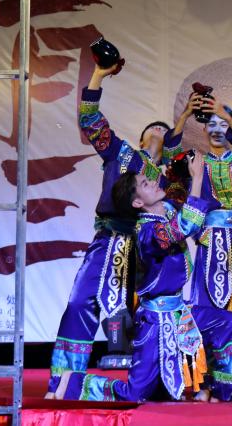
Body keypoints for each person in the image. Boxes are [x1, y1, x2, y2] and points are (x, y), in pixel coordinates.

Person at [45, 61, 189, 397]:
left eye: (164, 130)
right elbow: (91, 120)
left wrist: (182, 127)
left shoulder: (166, 182)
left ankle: (166, 380)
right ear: (140, 139)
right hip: (110, 241)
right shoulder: (122, 154)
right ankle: (62, 381)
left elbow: (183, 211)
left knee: (153, 312)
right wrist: (99, 74)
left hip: (147, 248)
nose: (158, 131)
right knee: (80, 304)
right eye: (153, 129)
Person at [51, 159, 214, 402]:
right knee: (134, 394)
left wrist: (183, 172)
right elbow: (183, 226)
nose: (154, 183)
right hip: (154, 320)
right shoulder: (147, 232)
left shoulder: (166, 210)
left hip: (175, 313)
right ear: (137, 203)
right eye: (146, 184)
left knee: (165, 391)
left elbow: (179, 201)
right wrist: (197, 178)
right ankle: (73, 383)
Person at [181, 89, 232, 402]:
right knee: (205, 310)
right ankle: (205, 382)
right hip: (210, 243)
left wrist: (227, 115)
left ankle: (230, 384)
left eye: (224, 124)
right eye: (211, 124)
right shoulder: (195, 162)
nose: (217, 129)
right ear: (203, 129)